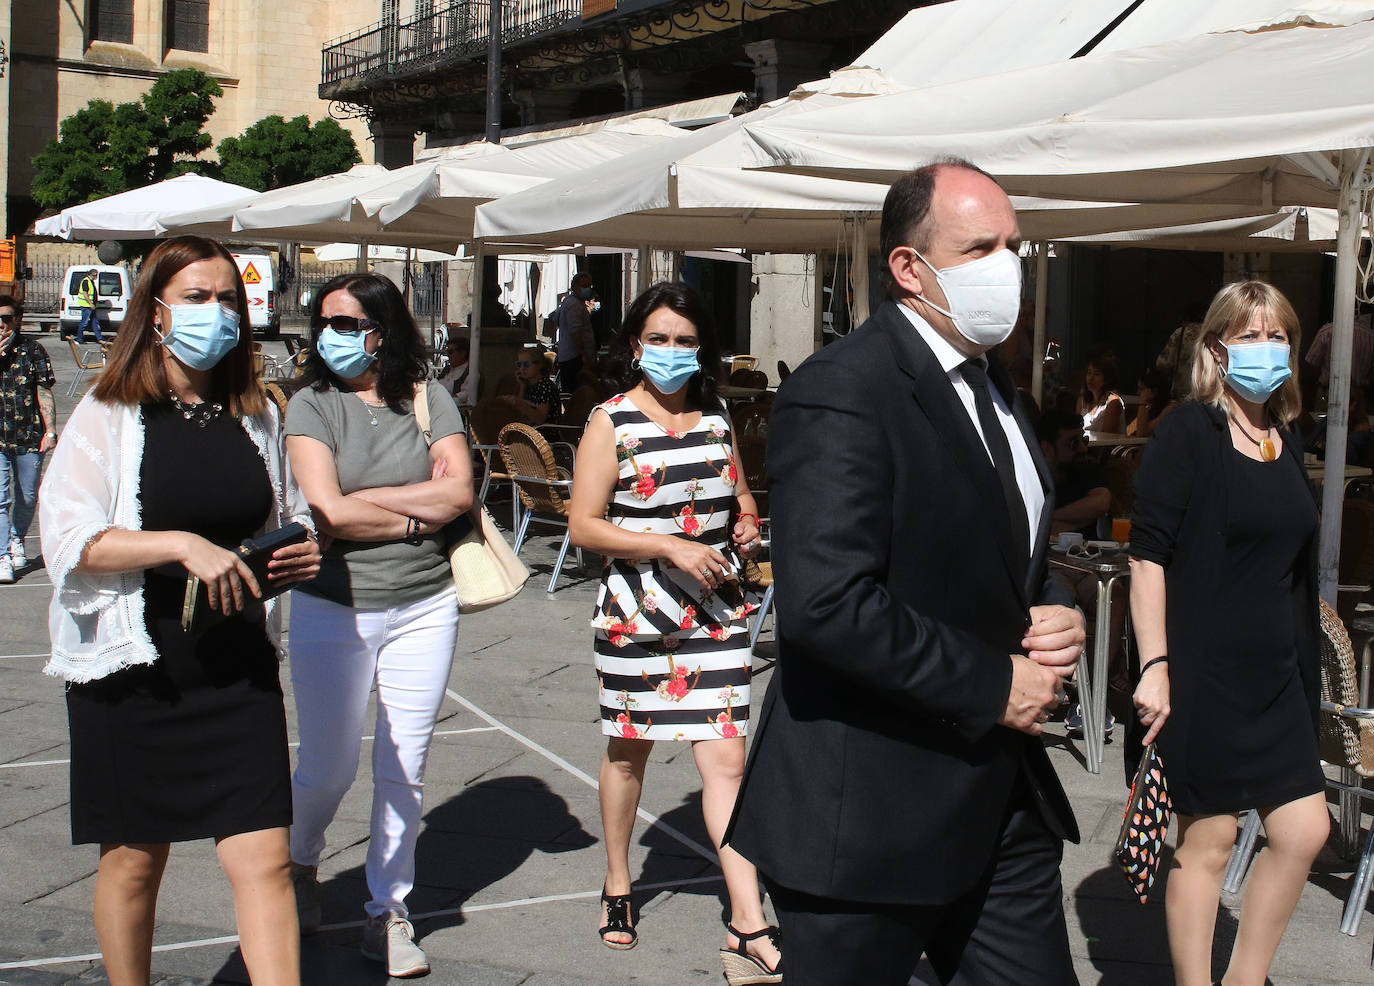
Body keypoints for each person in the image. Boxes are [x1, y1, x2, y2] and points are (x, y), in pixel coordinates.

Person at [725, 159, 1085, 985]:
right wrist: (995, 681)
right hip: (869, 816)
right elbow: (826, 607)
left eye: (1016, 246)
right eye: (981, 247)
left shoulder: (999, 386)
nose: (1009, 267)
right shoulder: (842, 390)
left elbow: (1007, 554)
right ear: (908, 268)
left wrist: (1056, 605)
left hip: (997, 802)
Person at [37, 235, 321, 986]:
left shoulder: (254, 413)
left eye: (228, 298)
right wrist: (179, 545)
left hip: (235, 666)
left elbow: (278, 517)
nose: (216, 313)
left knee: (264, 859)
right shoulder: (109, 411)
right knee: (133, 862)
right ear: (155, 310)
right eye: (198, 298)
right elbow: (69, 539)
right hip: (137, 669)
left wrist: (297, 551)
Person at [567, 281, 780, 984]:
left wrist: (743, 523)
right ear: (634, 345)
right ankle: (620, 880)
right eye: (657, 339)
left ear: (702, 350)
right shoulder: (612, 421)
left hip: (714, 614)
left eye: (684, 341)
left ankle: (748, 918)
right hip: (638, 616)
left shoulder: (718, 414)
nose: (670, 352)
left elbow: (741, 496)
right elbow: (584, 525)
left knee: (726, 763)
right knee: (630, 753)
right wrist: (669, 546)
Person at [1130, 280, 1329, 986]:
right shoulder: (1189, 432)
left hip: (1277, 676)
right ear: (1217, 348)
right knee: (1208, 841)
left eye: (1277, 335)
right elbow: (1147, 557)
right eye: (1248, 336)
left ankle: (1243, 980)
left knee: (1305, 829)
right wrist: (1155, 665)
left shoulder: (1285, 434)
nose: (1265, 348)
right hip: (1205, 673)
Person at [284, 272, 473, 978]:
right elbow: (328, 510)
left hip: (425, 603)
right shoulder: (310, 406)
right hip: (335, 606)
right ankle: (300, 860)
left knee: (405, 764)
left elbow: (459, 491)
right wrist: (415, 512)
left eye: (345, 322)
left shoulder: (430, 398)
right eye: (323, 322)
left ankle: (387, 911)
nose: (329, 336)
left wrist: (374, 506)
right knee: (327, 768)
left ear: (383, 330)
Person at [0, 295, 56, 584]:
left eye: (6, 318)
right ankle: (2, 557)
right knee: (0, 498)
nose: (1, 324)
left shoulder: (32, 350)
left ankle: (16, 539)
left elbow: (43, 391)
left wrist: (50, 430)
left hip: (28, 434)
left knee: (28, 495)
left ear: (17, 319)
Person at [1039, 409, 1109, 540]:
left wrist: (1046, 519)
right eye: (1074, 443)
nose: (1083, 448)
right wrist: (1083, 516)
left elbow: (1102, 501)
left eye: (1084, 440)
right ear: (1047, 448)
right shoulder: (1033, 480)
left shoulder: (1085, 466)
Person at [496, 344, 560, 425]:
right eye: (519, 365)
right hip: (528, 429)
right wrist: (522, 387)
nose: (522, 368)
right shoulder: (528, 384)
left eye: (526, 364)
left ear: (539, 365)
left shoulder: (545, 386)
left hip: (543, 432)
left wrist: (519, 402)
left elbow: (540, 419)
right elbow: (519, 412)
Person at [556, 272, 596, 393]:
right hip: (575, 357)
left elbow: (555, 318)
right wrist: (583, 354)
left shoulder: (568, 301)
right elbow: (575, 331)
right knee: (577, 392)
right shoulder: (575, 305)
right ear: (574, 287)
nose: (587, 289)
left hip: (567, 354)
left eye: (589, 286)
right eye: (584, 286)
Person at [1077, 345, 1124, 434]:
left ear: (1106, 378)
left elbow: (1108, 437)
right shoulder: (1082, 400)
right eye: (1089, 372)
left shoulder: (1113, 402)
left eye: (1096, 374)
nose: (1091, 378)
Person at [1128, 367, 1175, 437]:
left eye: (1141, 389)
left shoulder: (1171, 409)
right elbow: (1129, 432)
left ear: (1154, 391)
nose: (1137, 392)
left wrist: (1142, 403)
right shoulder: (1150, 406)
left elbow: (1142, 434)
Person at [435, 336, 475, 405]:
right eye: (447, 351)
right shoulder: (447, 369)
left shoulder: (471, 372)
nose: (448, 355)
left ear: (462, 353)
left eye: (451, 352)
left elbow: (465, 395)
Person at [75, 269, 104, 344]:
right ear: (90, 274)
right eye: (95, 275)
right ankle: (79, 339)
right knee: (84, 323)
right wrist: (90, 303)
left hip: (91, 306)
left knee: (95, 322)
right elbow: (85, 294)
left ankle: (100, 338)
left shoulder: (90, 281)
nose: (96, 277)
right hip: (86, 306)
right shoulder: (86, 281)